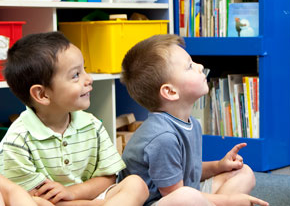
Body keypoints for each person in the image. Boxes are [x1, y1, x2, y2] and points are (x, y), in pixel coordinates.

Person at [0, 31, 149, 206]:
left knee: (136, 185)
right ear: (42, 94)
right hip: (52, 203)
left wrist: (73, 192)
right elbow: (28, 196)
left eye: (84, 69)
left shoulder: (92, 124)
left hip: (90, 197)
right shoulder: (18, 139)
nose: (89, 79)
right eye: (76, 75)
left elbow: (108, 178)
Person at [118, 34, 268, 206]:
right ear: (170, 92)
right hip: (161, 201)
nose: (200, 66)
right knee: (187, 197)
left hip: (187, 193)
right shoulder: (162, 138)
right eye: (189, 66)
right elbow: (177, 194)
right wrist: (228, 200)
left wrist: (219, 166)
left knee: (245, 173)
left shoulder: (191, 123)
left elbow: (188, 173)